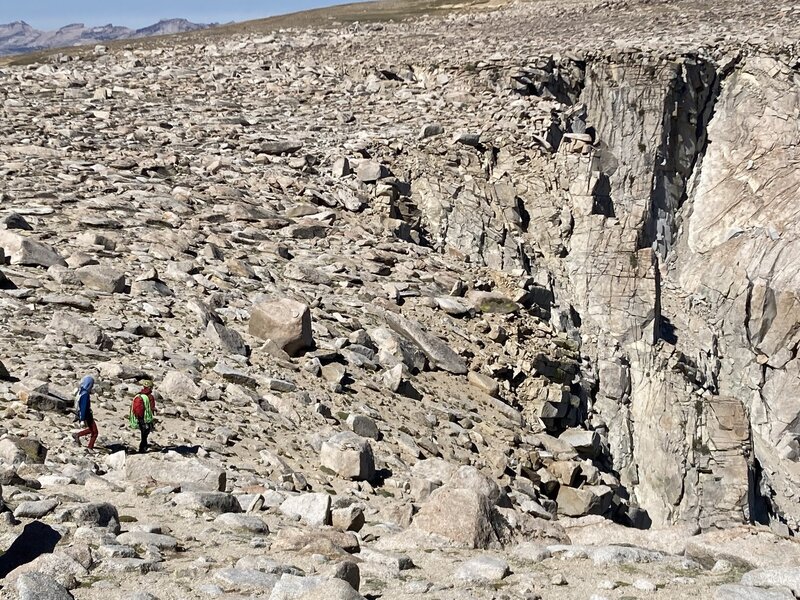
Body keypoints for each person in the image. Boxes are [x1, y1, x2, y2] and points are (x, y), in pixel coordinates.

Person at [129, 379, 156, 453]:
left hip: (139, 417)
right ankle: (142, 447)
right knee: (145, 433)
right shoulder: (150, 396)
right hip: (146, 417)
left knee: (143, 432)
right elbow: (151, 407)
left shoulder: (139, 395)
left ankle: (143, 446)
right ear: (150, 387)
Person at [73, 375, 98, 449]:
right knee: (95, 432)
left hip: (82, 414)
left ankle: (77, 435)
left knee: (91, 429)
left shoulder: (81, 391)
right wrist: (82, 419)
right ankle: (90, 447)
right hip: (87, 415)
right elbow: (83, 407)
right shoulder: (85, 394)